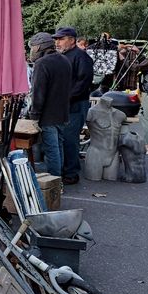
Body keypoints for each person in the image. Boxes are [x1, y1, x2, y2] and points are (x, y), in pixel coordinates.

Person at [53, 26, 94, 185]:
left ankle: (71, 173)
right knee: (63, 138)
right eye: (56, 39)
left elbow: (83, 82)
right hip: (65, 104)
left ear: (71, 40)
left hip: (75, 104)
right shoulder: (63, 56)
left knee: (70, 139)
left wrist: (65, 98)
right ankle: (65, 169)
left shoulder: (81, 57)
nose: (57, 42)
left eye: (61, 39)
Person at [27, 32, 72, 177]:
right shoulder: (64, 60)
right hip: (62, 112)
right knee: (58, 148)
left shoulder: (42, 63)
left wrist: (34, 116)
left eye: (33, 48)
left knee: (52, 150)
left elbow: (38, 93)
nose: (31, 51)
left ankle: (55, 183)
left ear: (39, 47)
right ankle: (58, 181)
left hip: (48, 115)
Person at [129, 30, 148, 154]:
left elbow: (139, 67)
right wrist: (138, 53)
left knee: (147, 117)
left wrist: (129, 62)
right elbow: (147, 64)